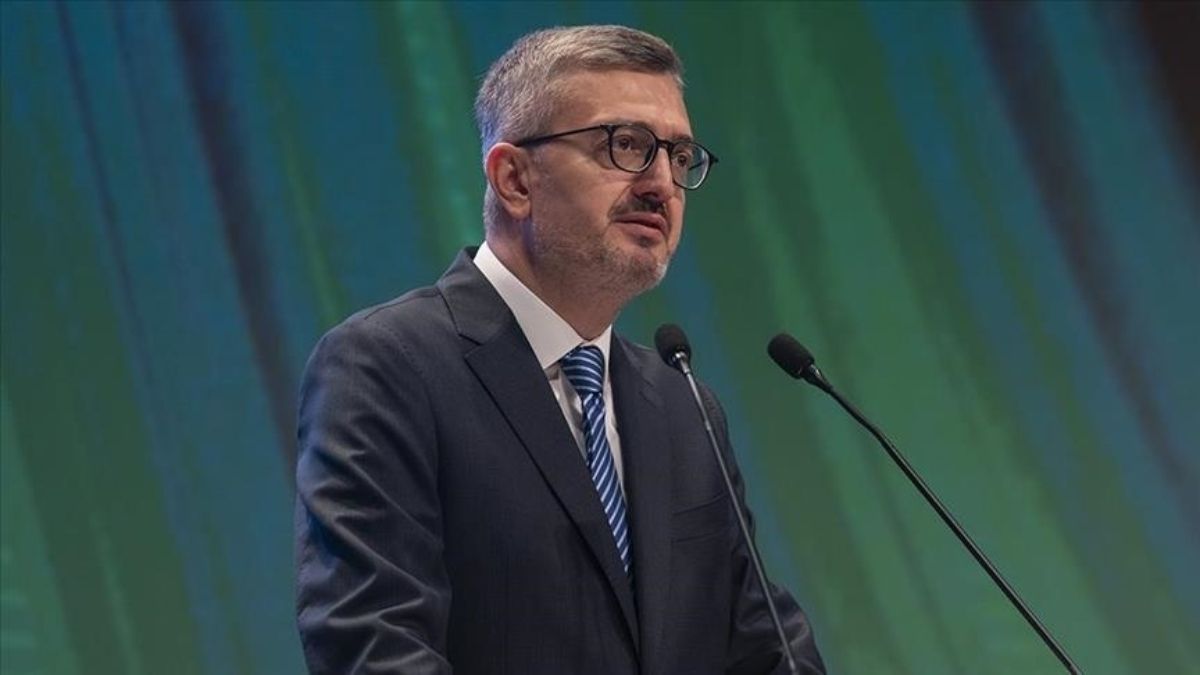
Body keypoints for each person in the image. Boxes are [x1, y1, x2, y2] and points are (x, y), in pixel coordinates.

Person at [294, 25, 825, 675]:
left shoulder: (683, 405)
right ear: (514, 178)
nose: (662, 183)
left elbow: (764, 646)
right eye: (626, 145)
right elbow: (373, 644)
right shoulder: (386, 366)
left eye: (680, 155)